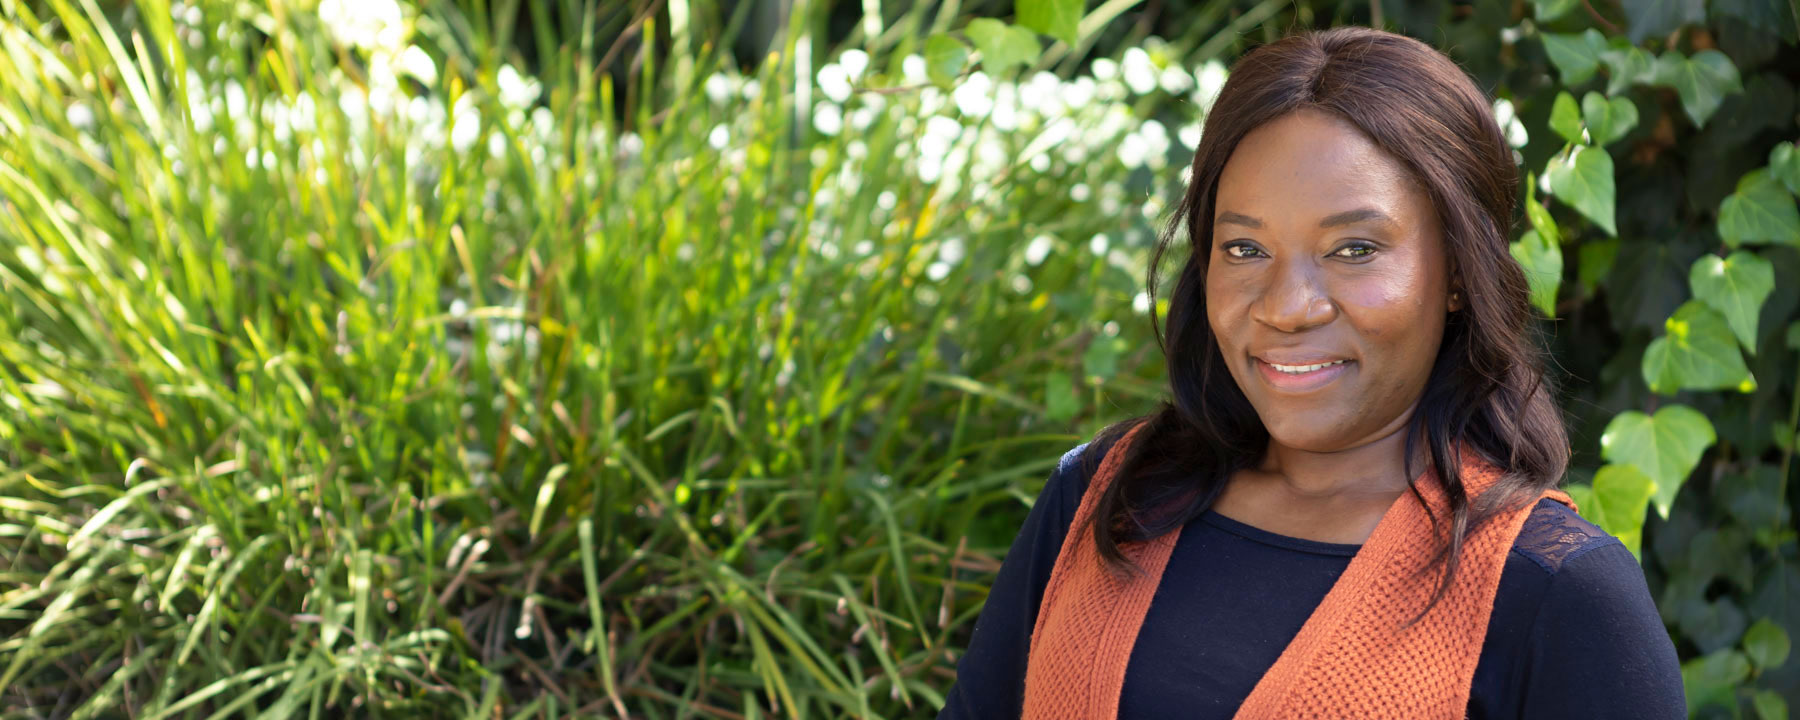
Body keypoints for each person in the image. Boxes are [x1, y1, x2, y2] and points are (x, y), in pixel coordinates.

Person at [936, 26, 1685, 719]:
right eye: (1244, 249)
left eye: (1354, 249)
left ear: (1458, 271)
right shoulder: (1106, 499)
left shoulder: (1557, 593)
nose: (1288, 308)